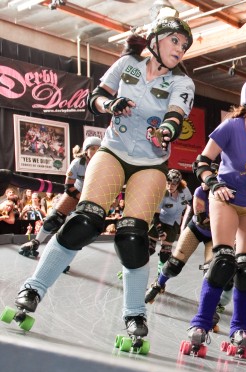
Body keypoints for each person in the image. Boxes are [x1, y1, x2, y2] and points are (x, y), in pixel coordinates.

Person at [7, 17, 195, 350]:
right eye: (175, 41)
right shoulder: (129, 66)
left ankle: (135, 314)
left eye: (184, 46)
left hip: (150, 163)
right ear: (156, 40)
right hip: (113, 150)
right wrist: (111, 105)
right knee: (85, 220)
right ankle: (33, 289)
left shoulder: (182, 83)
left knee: (133, 236)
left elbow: (176, 116)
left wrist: (166, 131)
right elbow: (95, 97)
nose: (180, 50)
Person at [188, 77, 246, 357]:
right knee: (223, 261)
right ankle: (201, 323)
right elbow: (202, 161)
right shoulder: (231, 127)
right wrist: (213, 182)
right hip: (225, 199)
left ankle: (239, 328)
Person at [18, 136, 101, 258]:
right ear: (85, 150)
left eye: (99, 149)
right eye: (93, 148)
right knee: (55, 219)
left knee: (81, 227)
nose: (95, 151)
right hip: (76, 192)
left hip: (92, 196)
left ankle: (61, 254)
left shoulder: (104, 165)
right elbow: (69, 186)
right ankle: (35, 242)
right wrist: (80, 197)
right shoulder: (78, 163)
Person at [148, 169, 192, 276]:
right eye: (168, 183)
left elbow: (192, 203)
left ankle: (159, 279)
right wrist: (160, 231)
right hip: (160, 220)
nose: (170, 186)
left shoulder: (185, 191)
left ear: (178, 184)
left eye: (173, 184)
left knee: (166, 253)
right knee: (148, 249)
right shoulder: (162, 193)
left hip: (174, 223)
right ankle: (132, 267)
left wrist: (188, 222)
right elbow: (156, 215)